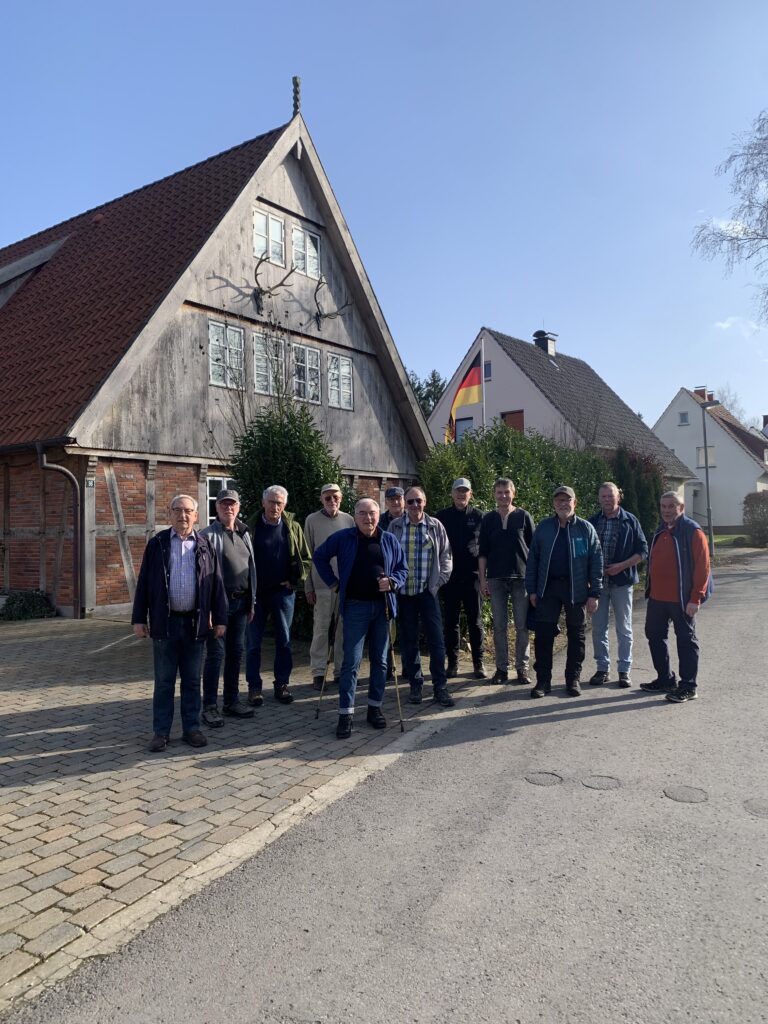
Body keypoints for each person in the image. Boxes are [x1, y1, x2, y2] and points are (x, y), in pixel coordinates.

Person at [132, 494, 228, 752]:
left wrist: (220, 618)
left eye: (188, 511)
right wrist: (139, 619)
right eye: (178, 510)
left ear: (196, 516)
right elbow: (144, 583)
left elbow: (217, 584)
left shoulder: (205, 545)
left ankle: (191, 729)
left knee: (192, 680)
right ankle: (161, 732)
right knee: (164, 681)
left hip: (195, 624)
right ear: (169, 513)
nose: (183, 515)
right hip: (165, 623)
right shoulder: (158, 544)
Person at [313, 498, 408, 738]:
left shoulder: (389, 539)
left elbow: (402, 569)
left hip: (382, 608)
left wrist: (393, 582)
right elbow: (319, 556)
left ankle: (374, 708)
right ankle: (345, 714)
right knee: (351, 662)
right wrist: (333, 583)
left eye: (372, 513)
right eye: (363, 513)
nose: (368, 518)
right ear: (355, 517)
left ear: (378, 515)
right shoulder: (343, 538)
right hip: (355, 607)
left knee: (381, 662)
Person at [525, 485, 603, 698]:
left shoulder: (586, 529)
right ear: (554, 503)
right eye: (559, 500)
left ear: (574, 503)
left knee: (577, 636)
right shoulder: (544, 528)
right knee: (543, 635)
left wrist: (594, 593)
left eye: (567, 500)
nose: (563, 504)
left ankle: (572, 679)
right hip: (548, 588)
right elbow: (533, 561)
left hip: (577, 588)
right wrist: (532, 590)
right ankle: (543, 681)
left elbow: (596, 562)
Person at [640, 492, 711, 703]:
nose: (666, 510)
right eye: (663, 506)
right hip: (657, 598)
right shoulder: (660, 529)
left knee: (686, 641)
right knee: (654, 635)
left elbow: (703, 567)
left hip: (682, 599)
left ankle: (688, 686)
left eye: (671, 506)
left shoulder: (692, 531)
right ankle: (665, 679)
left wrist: (696, 598)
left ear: (681, 507)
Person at [388, 486, 455, 707]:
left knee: (436, 641)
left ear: (425, 502)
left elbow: (446, 556)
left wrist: (437, 583)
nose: (415, 505)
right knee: (409, 642)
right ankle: (415, 685)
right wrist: (392, 583)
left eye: (418, 500)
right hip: (404, 594)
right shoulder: (395, 526)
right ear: (404, 504)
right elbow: (387, 557)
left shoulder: (435, 526)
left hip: (428, 593)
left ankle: (440, 687)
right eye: (410, 501)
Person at [245, 485, 311, 706]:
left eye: (279, 503)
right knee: (253, 644)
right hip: (256, 594)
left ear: (285, 505)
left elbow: (306, 559)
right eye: (272, 502)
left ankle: (282, 684)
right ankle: (254, 688)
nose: (275, 507)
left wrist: (294, 579)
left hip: (282, 594)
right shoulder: (250, 527)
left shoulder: (292, 527)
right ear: (263, 503)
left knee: (284, 641)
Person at [199, 489, 257, 727]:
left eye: (232, 504)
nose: (228, 508)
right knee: (216, 655)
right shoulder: (206, 535)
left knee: (236, 653)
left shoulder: (244, 533)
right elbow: (203, 576)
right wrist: (209, 609)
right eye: (224, 504)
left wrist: (252, 602)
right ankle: (209, 706)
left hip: (242, 603)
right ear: (217, 508)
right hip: (219, 606)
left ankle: (231, 701)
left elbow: (251, 569)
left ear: (238, 508)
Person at [588, 482, 648, 688]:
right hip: (598, 584)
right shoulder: (592, 522)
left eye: (610, 496)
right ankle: (602, 669)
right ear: (599, 498)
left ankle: (624, 670)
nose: (607, 499)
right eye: (603, 496)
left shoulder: (630, 521)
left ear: (618, 497)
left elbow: (643, 551)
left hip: (622, 583)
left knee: (624, 628)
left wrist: (621, 566)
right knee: (598, 628)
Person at [478, 478, 535, 684]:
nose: (503, 496)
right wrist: (483, 580)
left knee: (521, 626)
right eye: (499, 492)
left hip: (521, 579)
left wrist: (534, 580)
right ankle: (501, 669)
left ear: (513, 493)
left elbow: (534, 551)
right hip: (496, 579)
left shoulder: (523, 516)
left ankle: (522, 669)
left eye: (506, 492)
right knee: (499, 626)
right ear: (494, 494)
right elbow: (482, 553)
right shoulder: (488, 519)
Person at [435, 478, 487, 679]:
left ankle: (478, 663)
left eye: (465, 491)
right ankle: (453, 663)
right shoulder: (441, 517)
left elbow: (485, 549)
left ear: (470, 494)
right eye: (458, 491)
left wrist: (484, 577)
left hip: (473, 578)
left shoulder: (479, 516)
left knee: (476, 622)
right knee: (451, 623)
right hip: (450, 578)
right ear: (452, 493)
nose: (461, 494)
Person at [304, 484, 354, 690]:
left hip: (345, 586)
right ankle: (318, 672)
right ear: (321, 499)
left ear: (341, 498)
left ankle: (340, 671)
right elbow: (307, 555)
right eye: (327, 498)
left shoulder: (349, 520)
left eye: (336, 497)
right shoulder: (311, 520)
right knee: (321, 629)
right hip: (322, 585)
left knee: (343, 630)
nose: (332, 501)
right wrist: (308, 586)